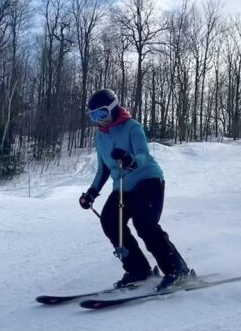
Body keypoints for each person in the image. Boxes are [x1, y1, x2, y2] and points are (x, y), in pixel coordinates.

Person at [78, 88, 190, 291]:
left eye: (102, 113)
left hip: (148, 180)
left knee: (144, 223)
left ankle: (177, 270)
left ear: (113, 108)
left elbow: (143, 154)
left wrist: (130, 160)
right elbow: (103, 169)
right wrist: (91, 193)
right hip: (122, 187)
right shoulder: (100, 137)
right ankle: (138, 269)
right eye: (94, 116)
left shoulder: (132, 127)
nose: (99, 120)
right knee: (110, 221)